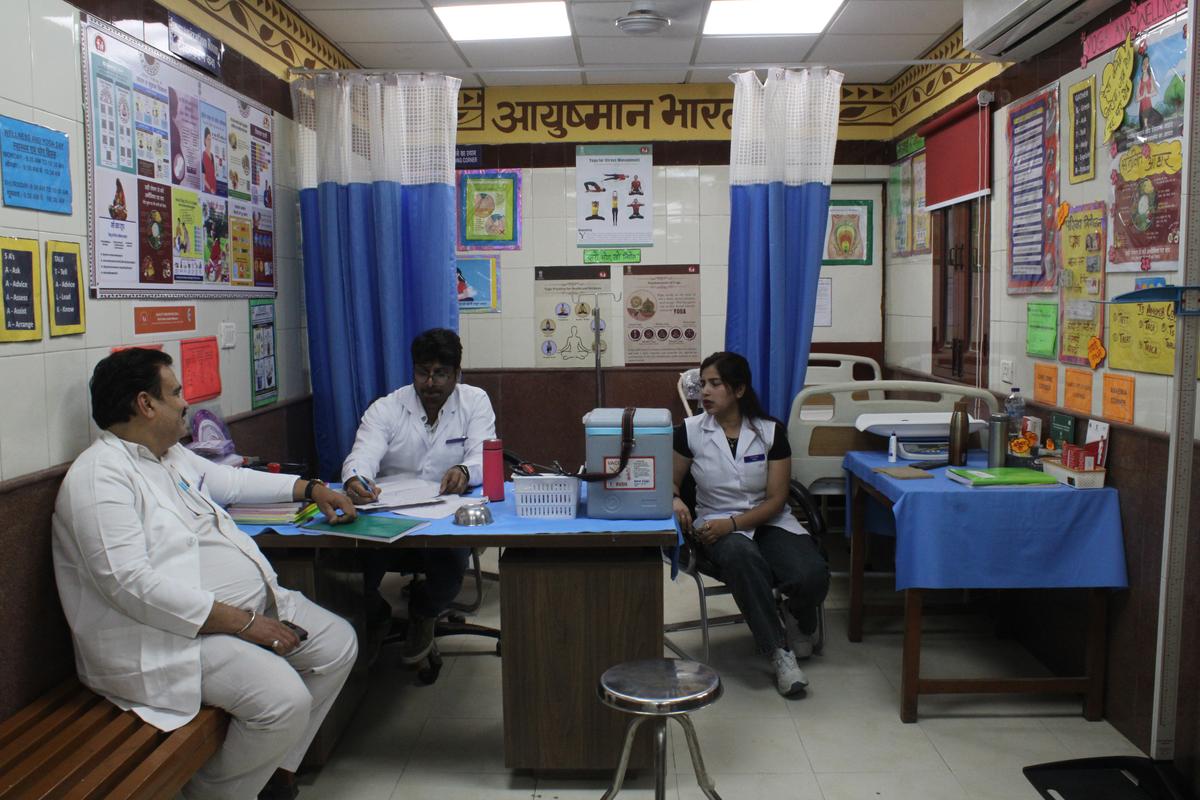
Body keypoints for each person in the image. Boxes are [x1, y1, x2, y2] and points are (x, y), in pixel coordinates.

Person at [52, 348, 360, 800]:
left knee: (337, 646)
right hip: (171, 638)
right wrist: (244, 623)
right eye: (175, 392)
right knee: (283, 701)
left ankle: (272, 772)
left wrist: (311, 489)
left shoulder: (168, 456)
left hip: (239, 615)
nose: (185, 403)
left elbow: (233, 482)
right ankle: (213, 792)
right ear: (145, 404)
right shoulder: (99, 477)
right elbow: (130, 585)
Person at [672, 352, 829, 697]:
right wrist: (675, 499)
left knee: (811, 575)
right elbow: (670, 481)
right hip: (714, 524)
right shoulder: (690, 432)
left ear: (739, 389)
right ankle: (780, 652)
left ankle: (798, 615)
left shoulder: (770, 432)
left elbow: (776, 499)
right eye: (703, 384)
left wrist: (734, 523)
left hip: (769, 520)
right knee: (742, 557)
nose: (705, 392)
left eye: (715, 384)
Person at [341, 328, 496, 664]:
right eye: (423, 372)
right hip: (390, 516)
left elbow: (483, 456)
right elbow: (362, 453)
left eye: (440, 373)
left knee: (450, 561)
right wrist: (356, 479)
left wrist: (465, 470)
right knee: (349, 567)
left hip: (446, 515)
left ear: (457, 373)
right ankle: (377, 616)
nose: (430, 383)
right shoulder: (387, 408)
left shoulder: (474, 402)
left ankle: (424, 611)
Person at [202, 127, 217, 194]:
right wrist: (210, 189)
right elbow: (203, 178)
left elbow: (213, 174)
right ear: (205, 140)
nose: (210, 142)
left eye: (210, 140)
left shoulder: (212, 156)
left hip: (214, 189)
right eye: (208, 139)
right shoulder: (203, 155)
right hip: (208, 190)